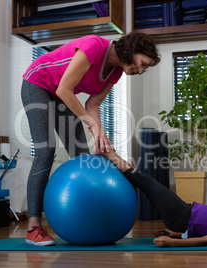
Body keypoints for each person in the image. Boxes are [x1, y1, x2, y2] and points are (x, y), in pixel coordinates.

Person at [21, 33, 160, 246]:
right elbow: (64, 89)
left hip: (60, 95)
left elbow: (92, 105)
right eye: (141, 64)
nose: (140, 71)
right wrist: (92, 124)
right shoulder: (94, 47)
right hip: (38, 83)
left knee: (83, 157)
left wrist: (99, 134)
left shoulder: (116, 73)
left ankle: (86, 223)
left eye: (144, 68)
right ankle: (33, 228)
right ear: (130, 50)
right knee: (46, 150)